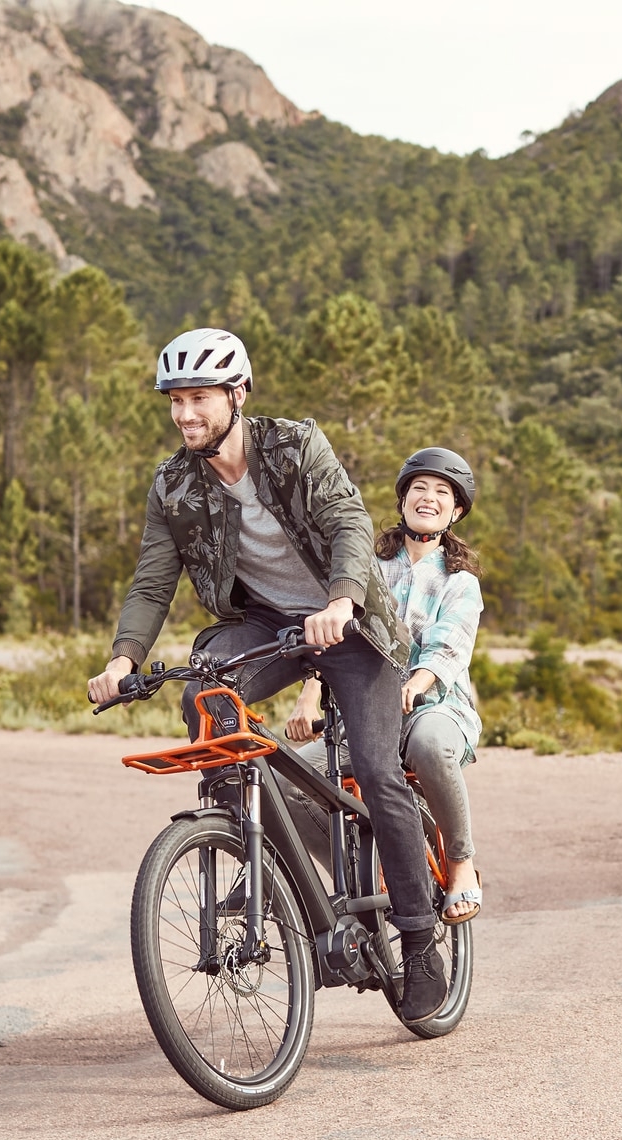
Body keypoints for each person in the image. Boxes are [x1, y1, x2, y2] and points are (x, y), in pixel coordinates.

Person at [86, 327, 450, 1021]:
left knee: (376, 771)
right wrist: (123, 659)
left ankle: (420, 936)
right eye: (175, 401)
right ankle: (248, 845)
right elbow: (151, 580)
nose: (185, 414)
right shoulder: (173, 484)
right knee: (204, 690)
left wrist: (341, 599)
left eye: (198, 398)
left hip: (351, 625)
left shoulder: (294, 445)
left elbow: (347, 520)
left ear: (236, 392)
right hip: (267, 627)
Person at [285, 448, 485, 924]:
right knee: (286, 778)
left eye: (442, 492)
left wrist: (414, 684)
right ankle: (359, 870)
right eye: (419, 488)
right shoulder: (365, 568)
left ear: (455, 511)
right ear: (403, 500)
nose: (429, 498)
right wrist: (309, 695)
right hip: (364, 712)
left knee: (432, 747)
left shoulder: (460, 582)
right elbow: (331, 634)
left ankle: (462, 865)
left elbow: (449, 647)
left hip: (434, 708)